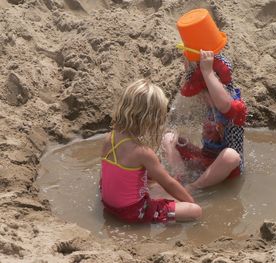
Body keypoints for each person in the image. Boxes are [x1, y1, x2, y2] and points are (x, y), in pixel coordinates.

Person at [163, 9, 247, 189]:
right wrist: (191, 66)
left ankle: (193, 187)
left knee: (231, 155)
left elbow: (225, 106)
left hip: (226, 168)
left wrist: (208, 72)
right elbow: (188, 88)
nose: (204, 95)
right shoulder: (204, 96)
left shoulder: (235, 104)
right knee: (170, 138)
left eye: (208, 89)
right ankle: (180, 177)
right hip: (205, 158)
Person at [100, 79, 202, 224]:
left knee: (152, 180)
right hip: (133, 212)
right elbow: (169, 183)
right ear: (149, 119)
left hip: (108, 205)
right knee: (194, 211)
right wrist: (191, 202)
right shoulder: (142, 152)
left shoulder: (109, 137)